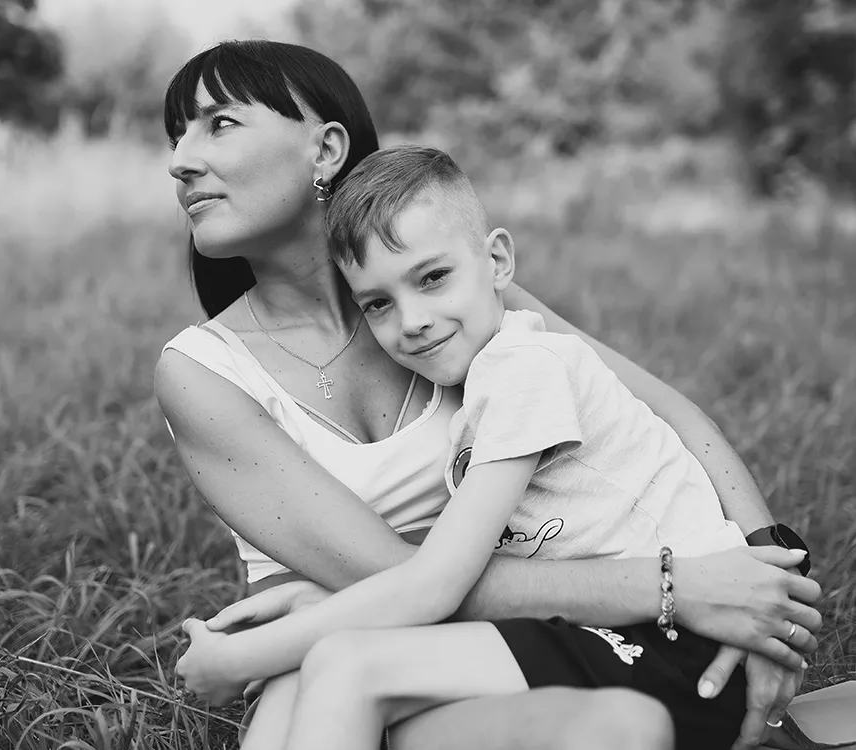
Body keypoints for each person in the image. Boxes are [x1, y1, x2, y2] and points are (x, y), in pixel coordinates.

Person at [158, 40, 821, 750]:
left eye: (217, 123)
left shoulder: (471, 310)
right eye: (177, 134)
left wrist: (768, 584)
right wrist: (678, 587)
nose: (180, 160)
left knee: (620, 725)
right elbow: (412, 579)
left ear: (325, 150)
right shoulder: (203, 372)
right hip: (376, 647)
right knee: (336, 674)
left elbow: (673, 414)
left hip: (480, 641)